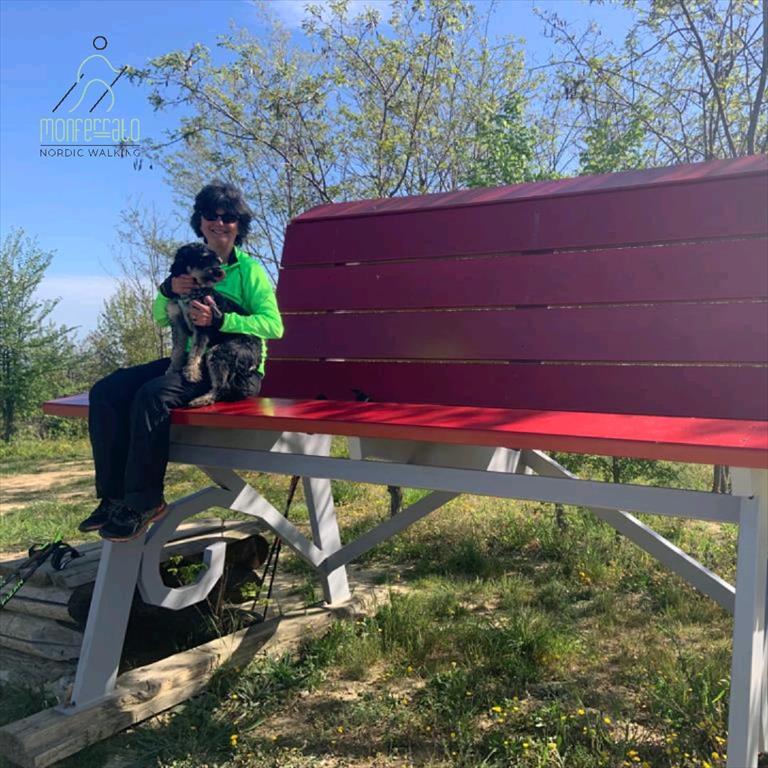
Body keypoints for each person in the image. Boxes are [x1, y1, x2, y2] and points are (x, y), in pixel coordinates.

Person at [79, 182, 284, 542]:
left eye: (229, 217)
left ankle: (145, 501)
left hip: (233, 367)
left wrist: (223, 320)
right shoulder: (186, 265)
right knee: (108, 390)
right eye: (210, 215)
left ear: (239, 224)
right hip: (191, 357)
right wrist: (167, 290)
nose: (219, 223)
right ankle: (114, 497)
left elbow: (273, 326)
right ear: (199, 222)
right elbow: (162, 317)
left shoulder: (249, 271)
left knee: (153, 394)